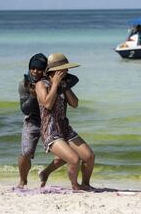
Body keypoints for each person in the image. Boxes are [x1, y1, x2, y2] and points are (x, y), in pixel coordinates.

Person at [35, 53, 95, 190]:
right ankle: (75, 186)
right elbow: (47, 104)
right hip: (50, 130)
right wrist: (55, 84)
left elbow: (75, 104)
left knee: (89, 156)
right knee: (74, 159)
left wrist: (65, 87)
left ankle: (85, 184)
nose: (67, 71)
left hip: (64, 128)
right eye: (64, 69)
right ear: (55, 71)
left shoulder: (64, 84)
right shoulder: (41, 84)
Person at [17, 53, 66, 188]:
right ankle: (22, 180)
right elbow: (24, 109)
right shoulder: (24, 84)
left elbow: (63, 101)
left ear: (45, 69)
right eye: (32, 68)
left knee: (67, 155)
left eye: (39, 68)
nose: (35, 71)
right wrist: (33, 95)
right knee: (25, 153)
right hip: (32, 122)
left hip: (51, 122)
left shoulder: (49, 82)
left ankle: (45, 173)